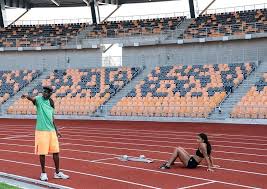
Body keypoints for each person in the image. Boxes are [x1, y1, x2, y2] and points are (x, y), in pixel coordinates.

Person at [22, 86, 69, 181]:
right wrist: (27, 96)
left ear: (50, 94)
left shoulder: (51, 102)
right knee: (42, 153)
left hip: (51, 131)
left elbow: (52, 118)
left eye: (46, 92)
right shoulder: (38, 99)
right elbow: (32, 99)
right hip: (41, 131)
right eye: (43, 91)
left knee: (56, 152)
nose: (44, 93)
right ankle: (43, 173)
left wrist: (56, 130)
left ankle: (57, 172)